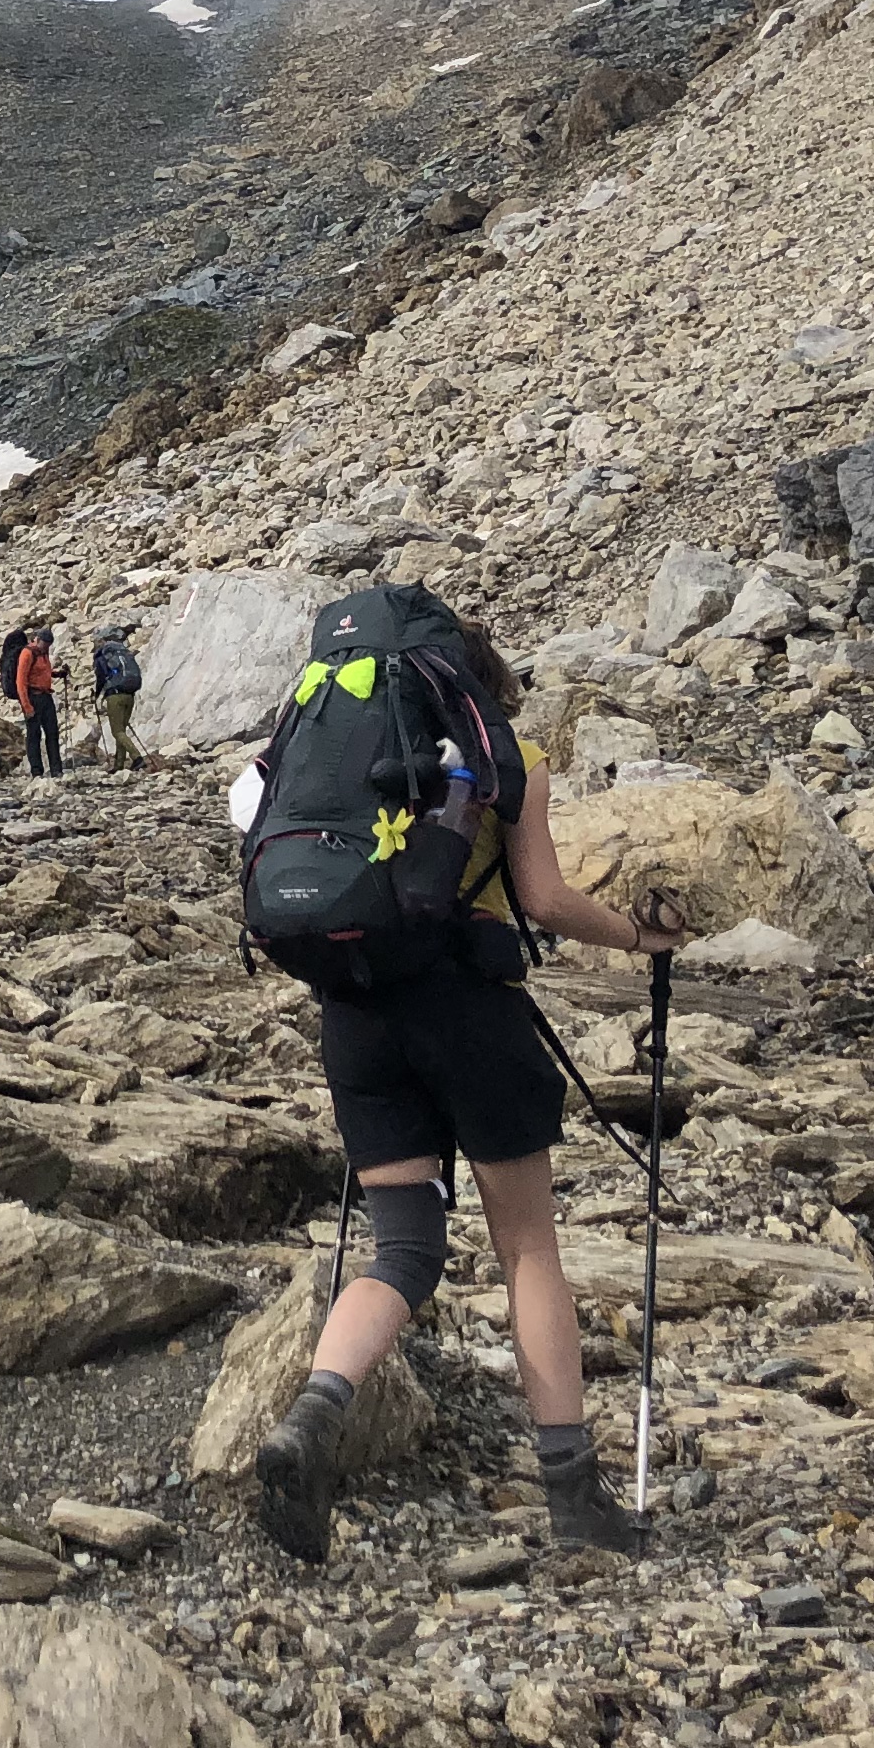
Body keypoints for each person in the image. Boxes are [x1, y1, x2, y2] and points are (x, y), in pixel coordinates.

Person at [253, 611, 684, 1568]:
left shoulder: (320, 747)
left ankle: (311, 1421)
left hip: (356, 1012)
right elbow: (544, 901)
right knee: (528, 1248)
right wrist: (640, 938)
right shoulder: (504, 756)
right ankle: (574, 1499)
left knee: (403, 1248)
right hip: (471, 1016)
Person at [90, 622, 143, 769]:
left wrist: (97, 694)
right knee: (122, 731)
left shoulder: (102, 656)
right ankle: (119, 765)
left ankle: (137, 757)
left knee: (117, 731)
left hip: (114, 696)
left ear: (102, 641)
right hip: (130, 694)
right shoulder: (123, 653)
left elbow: (101, 676)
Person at [15, 625, 62, 778]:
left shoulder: (43, 653)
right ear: (38, 640)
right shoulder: (27, 653)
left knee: (52, 732)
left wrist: (57, 674)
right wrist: (27, 706)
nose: (47, 648)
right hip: (32, 697)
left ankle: (56, 769)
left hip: (45, 695)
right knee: (34, 734)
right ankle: (37, 771)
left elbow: (43, 672)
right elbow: (20, 681)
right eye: (45, 644)